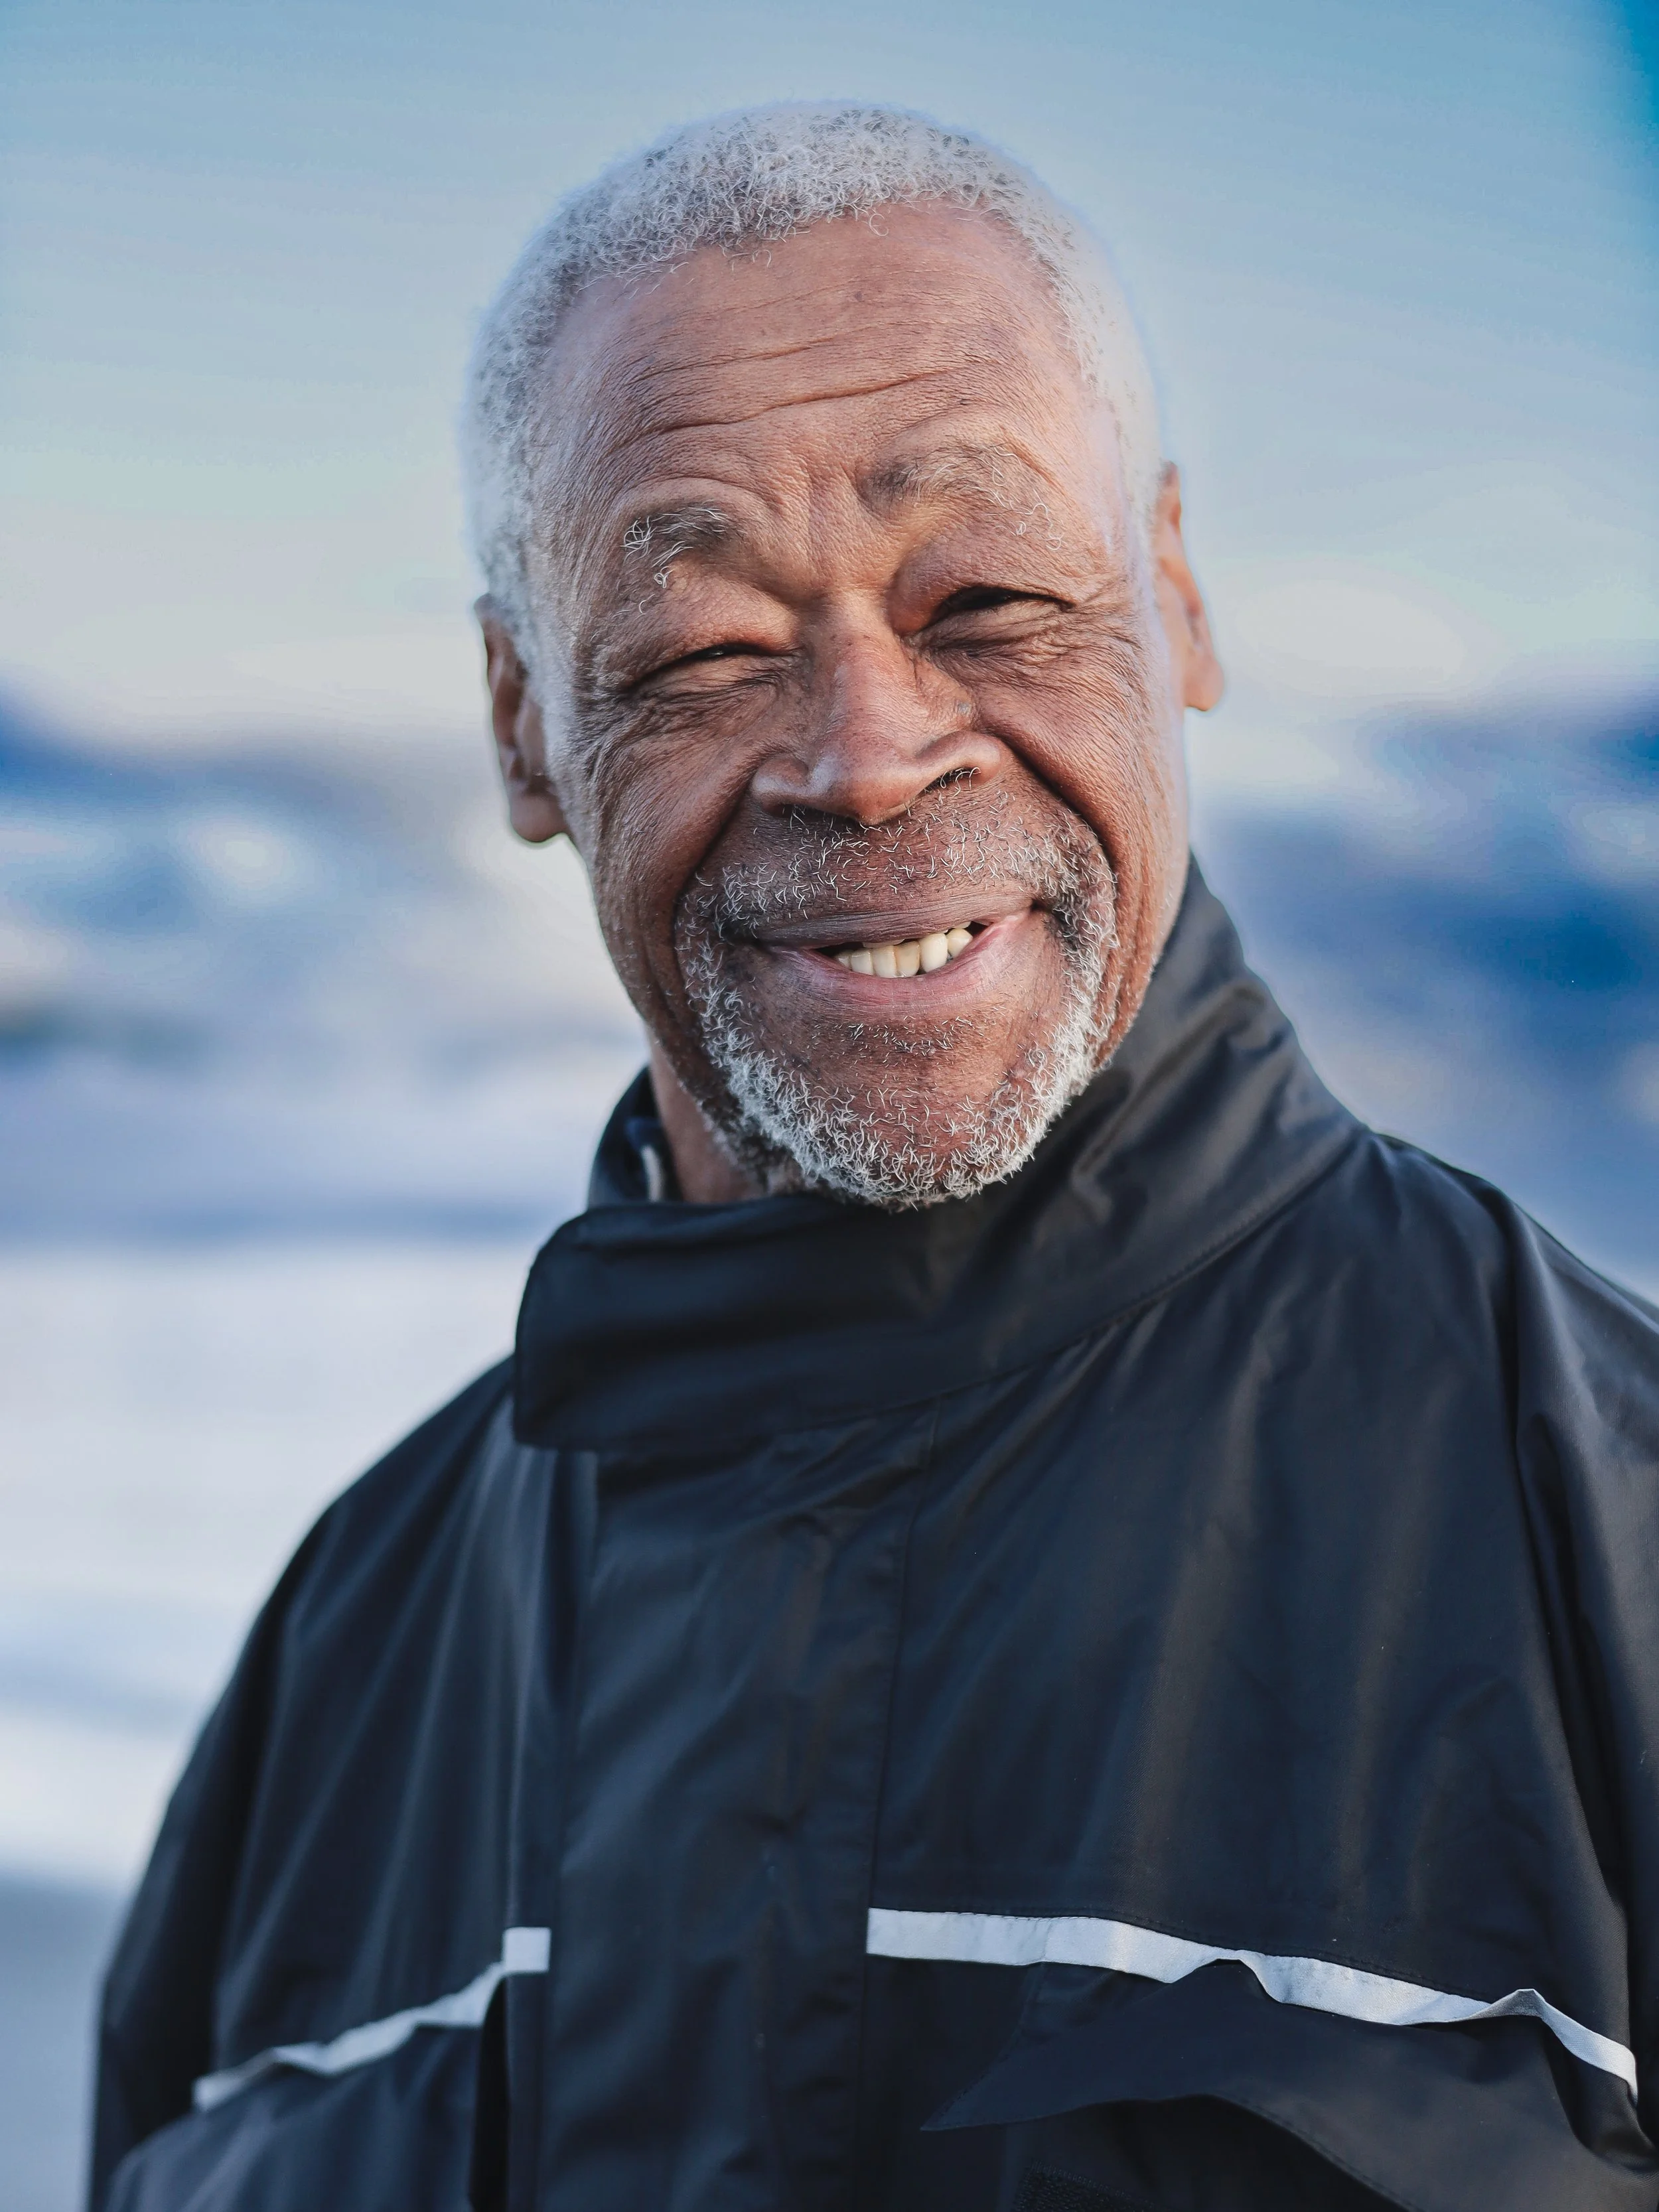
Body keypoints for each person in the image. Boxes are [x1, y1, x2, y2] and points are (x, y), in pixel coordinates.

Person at [90, 104, 1659, 2212]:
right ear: (521, 721)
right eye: (705, 650)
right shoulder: (344, 1653)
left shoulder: (1602, 1532)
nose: (862, 752)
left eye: (989, 596)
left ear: (1171, 597)